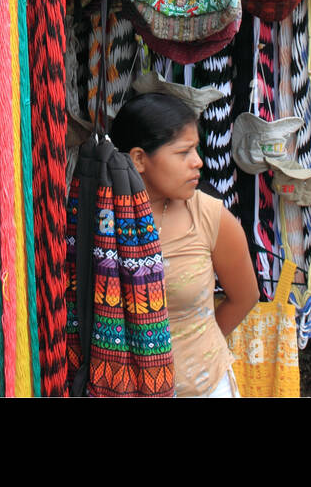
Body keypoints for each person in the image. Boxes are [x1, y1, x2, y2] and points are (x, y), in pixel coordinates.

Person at [110, 93, 258, 397]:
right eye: (183, 152)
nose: (198, 162)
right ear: (139, 159)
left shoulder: (209, 216)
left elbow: (245, 296)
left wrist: (197, 347)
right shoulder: (102, 222)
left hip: (202, 387)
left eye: (196, 149)